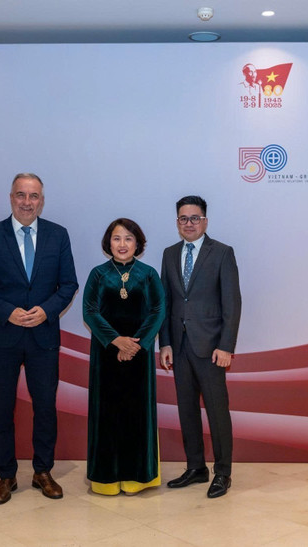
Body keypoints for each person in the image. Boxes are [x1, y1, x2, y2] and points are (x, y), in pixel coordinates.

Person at [0, 173, 78, 505]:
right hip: (4, 335)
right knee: (1, 408)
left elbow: (69, 285)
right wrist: (7, 312)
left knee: (45, 407)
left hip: (43, 336)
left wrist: (46, 311)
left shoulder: (58, 235)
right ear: (11, 197)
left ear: (42, 200)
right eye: (21, 195)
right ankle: (6, 475)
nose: (27, 202)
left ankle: (42, 471)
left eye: (34, 196)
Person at [159, 196, 241, 498]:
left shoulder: (221, 253)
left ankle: (222, 472)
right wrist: (164, 342)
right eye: (183, 218)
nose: (189, 223)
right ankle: (196, 467)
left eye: (195, 218)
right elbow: (164, 303)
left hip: (211, 348)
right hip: (178, 347)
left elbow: (233, 303)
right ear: (177, 222)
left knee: (218, 412)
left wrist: (226, 345)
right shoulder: (169, 254)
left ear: (205, 221)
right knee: (187, 410)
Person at [83, 218, 165, 495]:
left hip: (139, 357)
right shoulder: (97, 274)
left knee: (136, 415)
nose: (122, 244)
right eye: (117, 238)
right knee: (106, 414)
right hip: (106, 355)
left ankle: (137, 478)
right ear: (108, 242)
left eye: (128, 238)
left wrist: (135, 346)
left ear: (138, 243)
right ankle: (106, 479)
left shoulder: (149, 274)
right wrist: (117, 341)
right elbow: (90, 312)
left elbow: (157, 311)